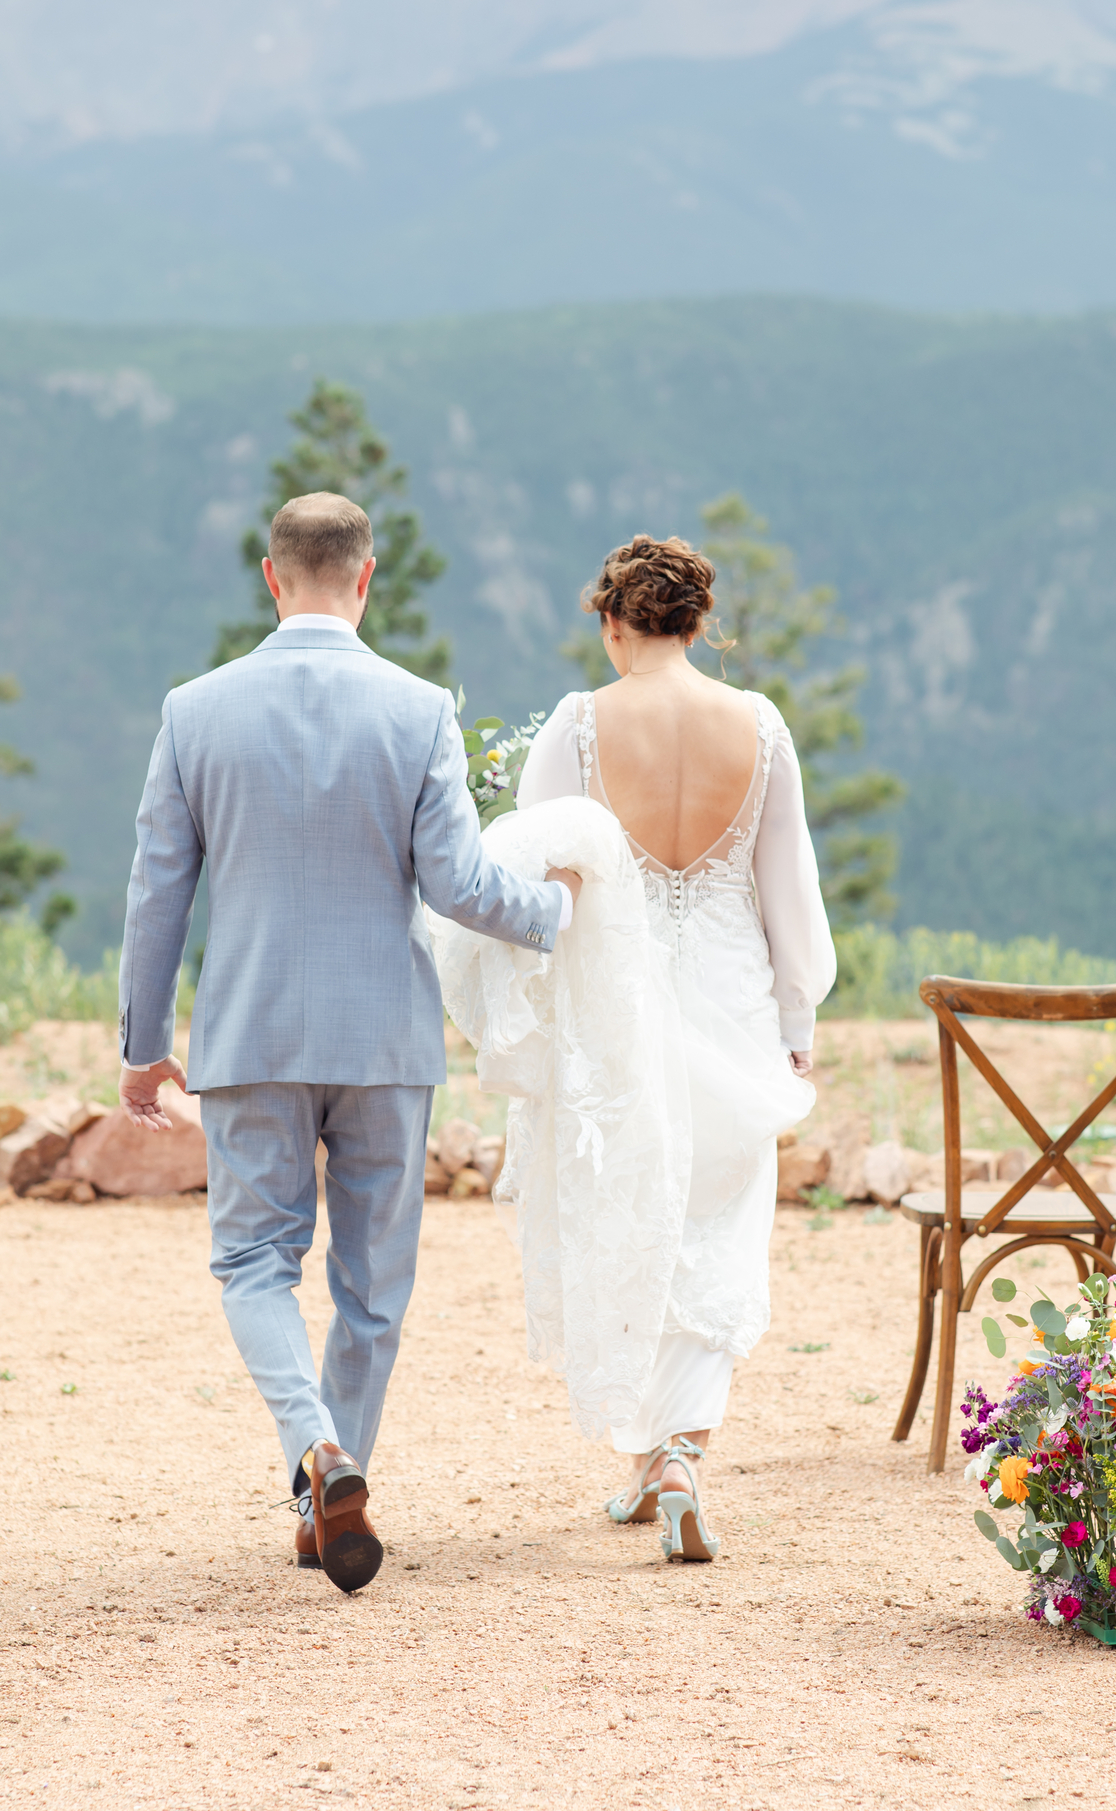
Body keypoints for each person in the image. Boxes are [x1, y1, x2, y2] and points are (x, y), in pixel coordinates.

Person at [116, 490, 580, 1593]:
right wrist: (558, 911)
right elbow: (461, 884)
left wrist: (145, 1040)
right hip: (384, 1040)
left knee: (250, 1261)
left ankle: (314, 1455)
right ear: (364, 577)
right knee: (374, 1288)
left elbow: (156, 894)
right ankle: (336, 1476)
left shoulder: (194, 708)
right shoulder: (418, 708)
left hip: (250, 1033)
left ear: (272, 578)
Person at [433, 533, 834, 1562]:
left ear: (613, 621)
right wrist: (797, 1023)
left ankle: (649, 1458)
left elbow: (532, 885)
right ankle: (680, 1455)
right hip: (732, 1003)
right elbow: (788, 890)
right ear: (699, 624)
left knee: (628, 1211)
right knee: (713, 1217)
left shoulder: (576, 726)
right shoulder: (760, 725)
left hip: (621, 1011)